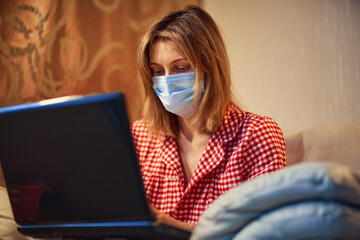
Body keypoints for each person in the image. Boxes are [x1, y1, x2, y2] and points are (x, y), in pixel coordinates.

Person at [131, 5, 286, 231]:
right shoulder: (140, 136)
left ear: (210, 67)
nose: (166, 81)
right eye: (157, 71)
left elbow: (267, 232)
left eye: (180, 67)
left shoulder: (257, 134)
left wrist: (174, 228)